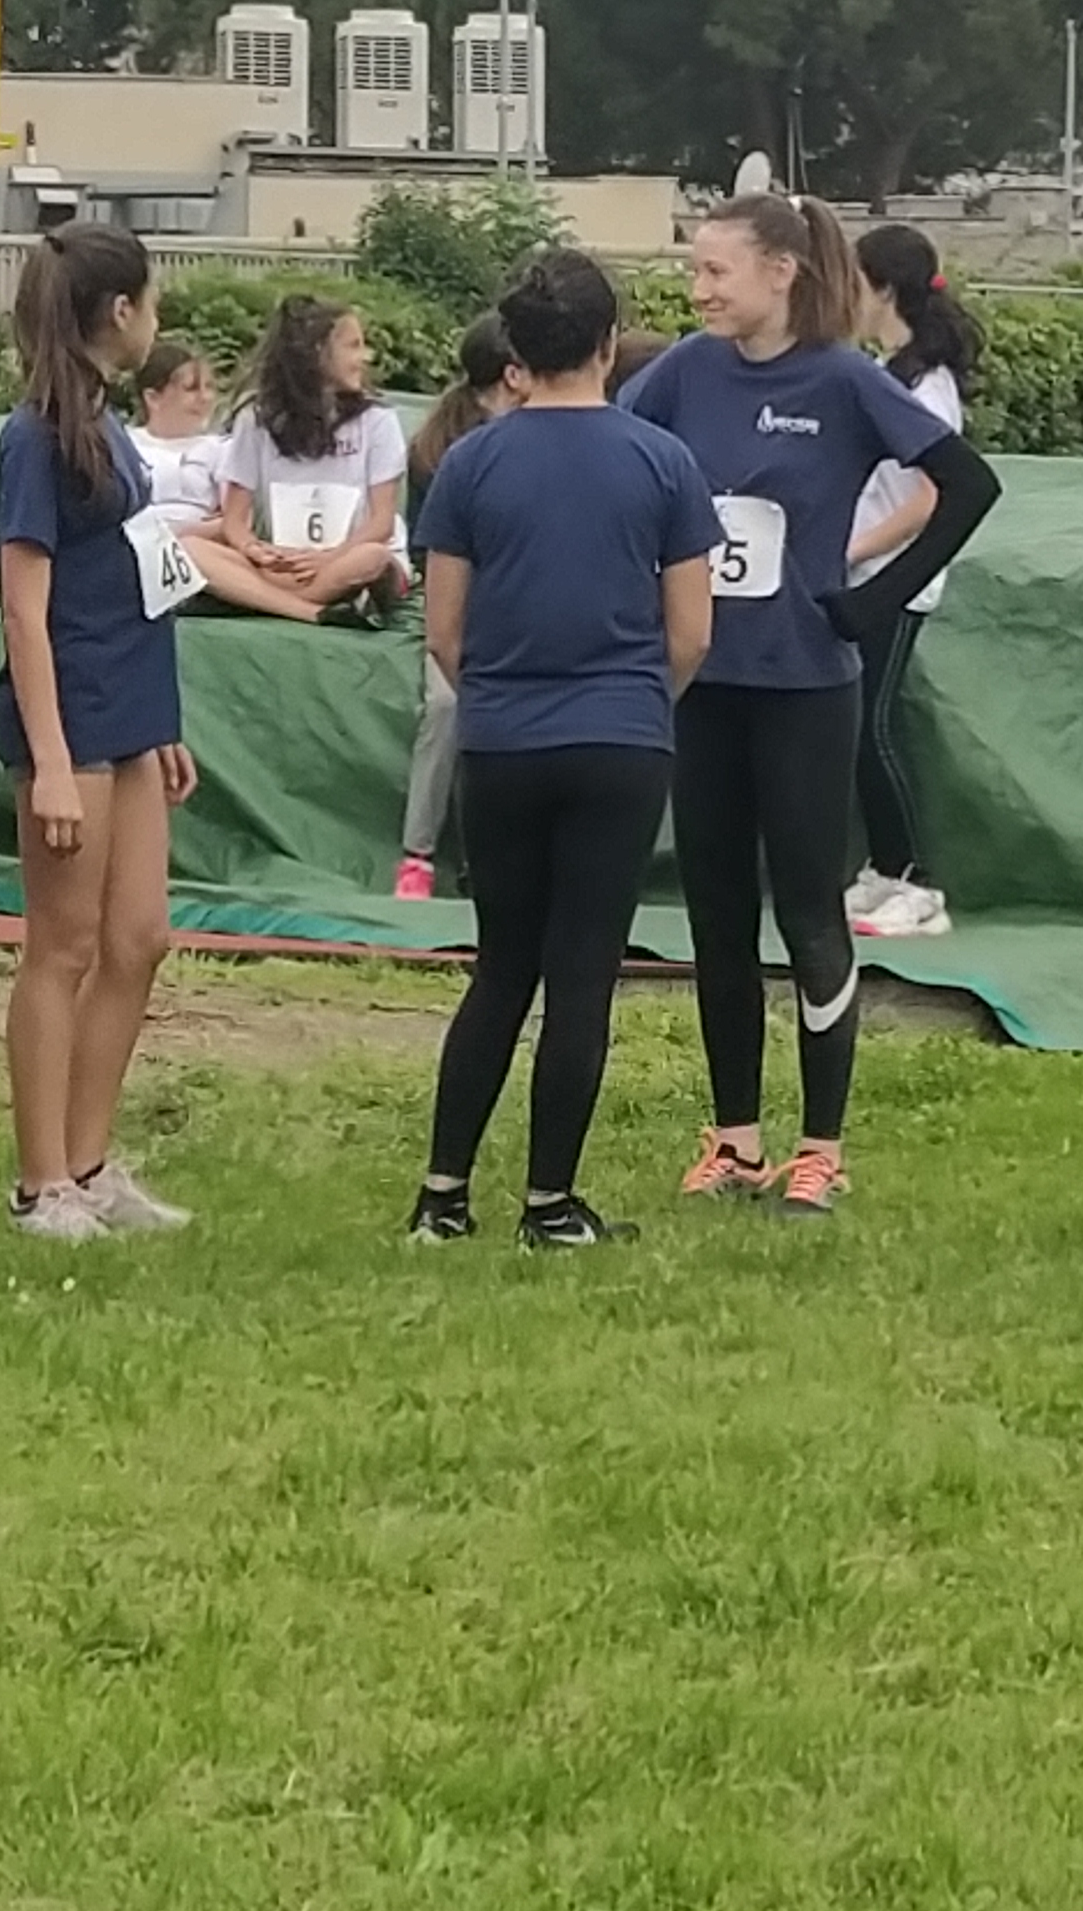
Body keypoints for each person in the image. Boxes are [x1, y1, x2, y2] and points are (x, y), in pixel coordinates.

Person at [622, 194, 1003, 1216]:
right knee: (715, 916)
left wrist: (874, 598)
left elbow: (967, 485)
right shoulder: (686, 372)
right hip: (705, 687)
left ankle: (820, 1149)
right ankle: (734, 1140)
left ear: (780, 272)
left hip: (804, 690)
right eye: (695, 271)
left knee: (808, 913)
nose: (698, 291)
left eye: (716, 271)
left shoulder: (843, 379)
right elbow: (615, 455)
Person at [409, 250, 722, 1248]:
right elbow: (692, 633)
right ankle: (549, 1203)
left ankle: (443, 1195)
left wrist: (502, 698)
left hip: (502, 738)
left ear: (517, 350)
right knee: (582, 974)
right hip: (620, 738)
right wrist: (636, 702)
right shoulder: (662, 461)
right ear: (608, 341)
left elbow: (444, 632)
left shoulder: (470, 462)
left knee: (501, 967)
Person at [0, 223, 200, 1244]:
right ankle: (42, 1184)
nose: (155, 320)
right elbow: (23, 608)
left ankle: (89, 1159)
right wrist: (49, 762)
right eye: (150, 303)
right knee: (63, 946)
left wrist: (159, 726)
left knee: (139, 938)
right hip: (68, 718)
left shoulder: (107, 423)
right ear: (119, 312)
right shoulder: (33, 437)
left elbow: (137, 571)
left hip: (130, 712)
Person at [846, 225, 981, 942]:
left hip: (895, 582)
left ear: (885, 289)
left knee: (870, 727)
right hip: (868, 575)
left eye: (855, 279)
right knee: (854, 728)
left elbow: (931, 497)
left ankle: (917, 882)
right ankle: (884, 867)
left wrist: (854, 549)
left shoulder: (929, 388)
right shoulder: (889, 370)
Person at [394, 313, 525, 900]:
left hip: (520, 606)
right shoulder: (439, 450)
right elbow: (431, 557)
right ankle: (417, 853)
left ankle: (491, 858)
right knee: (448, 703)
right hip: (460, 605)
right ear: (512, 374)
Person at [217, 296, 409, 617]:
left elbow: (381, 524)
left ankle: (265, 598)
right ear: (318, 352)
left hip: (347, 560)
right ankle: (308, 609)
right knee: (192, 550)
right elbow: (234, 521)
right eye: (353, 346)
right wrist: (254, 550)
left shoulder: (377, 420)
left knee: (372, 558)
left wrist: (330, 558)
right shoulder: (255, 419)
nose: (365, 357)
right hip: (283, 565)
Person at [131, 341, 327, 624]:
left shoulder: (220, 449)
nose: (205, 398)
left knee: (193, 552)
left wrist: (175, 533)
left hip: (194, 548)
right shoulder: (127, 444)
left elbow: (236, 520)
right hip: (134, 548)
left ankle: (306, 610)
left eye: (210, 387)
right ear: (153, 397)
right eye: (191, 389)